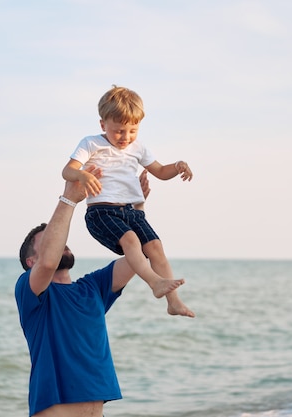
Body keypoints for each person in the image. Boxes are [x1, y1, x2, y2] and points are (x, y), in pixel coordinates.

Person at [15, 167, 147, 417]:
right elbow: (48, 263)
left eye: (62, 240)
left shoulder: (92, 288)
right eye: (50, 242)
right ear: (31, 262)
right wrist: (69, 199)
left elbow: (137, 255)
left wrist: (136, 208)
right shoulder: (29, 291)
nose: (62, 243)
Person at [62, 85, 195, 318]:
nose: (126, 137)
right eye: (119, 131)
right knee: (131, 240)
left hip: (132, 212)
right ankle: (155, 283)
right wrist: (83, 174)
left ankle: (173, 302)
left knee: (155, 247)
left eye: (132, 130)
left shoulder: (138, 148)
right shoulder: (92, 143)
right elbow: (67, 170)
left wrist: (177, 166)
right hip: (102, 212)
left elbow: (161, 171)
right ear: (103, 124)